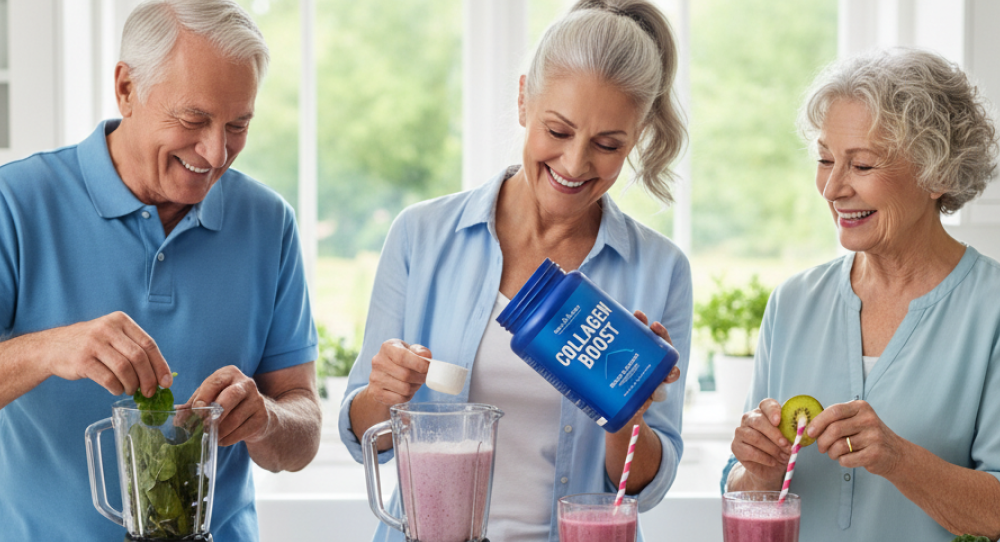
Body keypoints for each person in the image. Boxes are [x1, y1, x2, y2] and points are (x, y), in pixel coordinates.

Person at [338, 1, 691, 541]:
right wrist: (384, 395)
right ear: (524, 99)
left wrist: (629, 414)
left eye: (607, 145)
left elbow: (642, 488)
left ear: (637, 135)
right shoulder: (422, 236)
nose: (575, 164)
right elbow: (366, 436)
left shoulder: (659, 269)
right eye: (559, 130)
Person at [0, 1, 322, 540]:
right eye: (193, 120)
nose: (216, 152)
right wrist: (50, 349)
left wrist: (266, 418)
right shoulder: (16, 203)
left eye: (238, 125)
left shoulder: (269, 223)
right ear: (126, 88)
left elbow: (303, 429)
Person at [721, 48, 1000, 540]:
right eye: (825, 159)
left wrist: (899, 459)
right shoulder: (793, 303)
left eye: (862, 165)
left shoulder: (990, 309)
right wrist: (758, 472)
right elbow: (742, 491)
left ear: (938, 173)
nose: (831, 188)